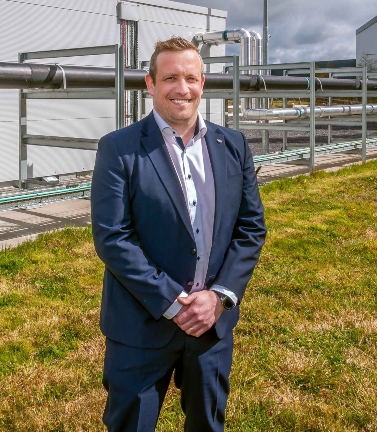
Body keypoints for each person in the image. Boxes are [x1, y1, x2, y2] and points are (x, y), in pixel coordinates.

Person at [91, 36, 267, 431]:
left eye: (190, 77)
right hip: (141, 325)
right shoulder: (118, 149)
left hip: (211, 325)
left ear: (203, 83)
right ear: (150, 84)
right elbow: (112, 237)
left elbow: (250, 228)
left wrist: (219, 297)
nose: (181, 88)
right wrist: (173, 301)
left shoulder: (233, 145)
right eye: (170, 77)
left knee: (207, 423)